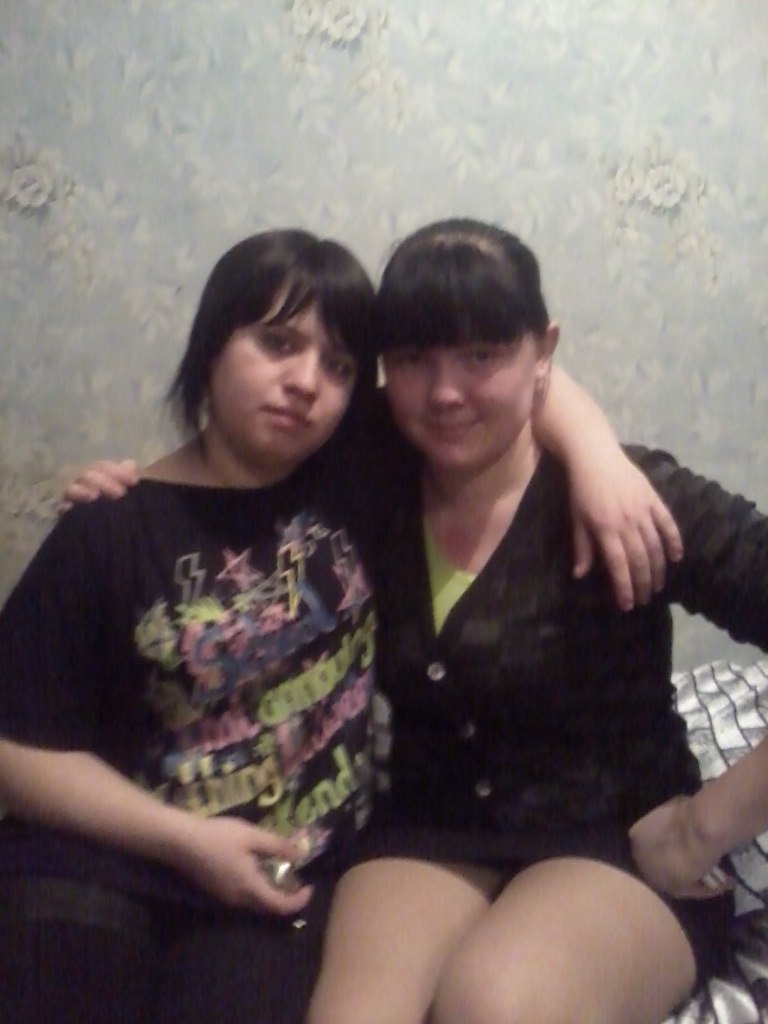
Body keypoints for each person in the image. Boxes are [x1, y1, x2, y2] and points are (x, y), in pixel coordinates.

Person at [18, 227, 679, 1024]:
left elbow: (504, 367)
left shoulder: (356, 475)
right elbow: (14, 746)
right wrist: (182, 840)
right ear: (211, 344)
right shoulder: (115, 527)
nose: (305, 382)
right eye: (276, 343)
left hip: (279, 888)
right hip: (111, 860)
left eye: (337, 366)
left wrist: (598, 452)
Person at [305, 219, 768, 1024]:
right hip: (429, 827)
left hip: (615, 841)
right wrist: (122, 494)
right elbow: (235, 463)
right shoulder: (373, 469)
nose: (445, 393)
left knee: (496, 1006)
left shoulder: (631, 497)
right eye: (413, 359)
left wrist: (702, 829)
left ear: (543, 349)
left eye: (481, 356)